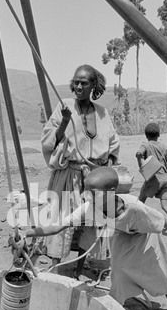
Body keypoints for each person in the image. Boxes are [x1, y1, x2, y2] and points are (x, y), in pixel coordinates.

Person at [12, 167, 167, 310]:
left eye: (93, 192)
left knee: (158, 268)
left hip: (144, 235)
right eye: (86, 191)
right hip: (122, 236)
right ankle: (118, 305)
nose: (87, 196)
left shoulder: (134, 207)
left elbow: (161, 218)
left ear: (111, 192)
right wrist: (26, 232)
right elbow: (59, 226)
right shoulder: (90, 208)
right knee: (119, 269)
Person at [41, 64, 120, 278]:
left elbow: (113, 144)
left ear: (93, 85)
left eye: (83, 83)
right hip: (69, 175)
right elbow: (48, 142)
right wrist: (65, 121)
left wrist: (107, 173)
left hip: (95, 178)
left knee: (90, 223)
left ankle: (78, 269)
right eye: (75, 82)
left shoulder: (102, 113)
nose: (78, 86)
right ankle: (55, 270)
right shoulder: (64, 106)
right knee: (62, 221)